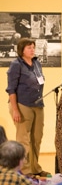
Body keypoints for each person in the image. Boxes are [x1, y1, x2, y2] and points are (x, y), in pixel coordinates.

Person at [6, 38, 49, 177]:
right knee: (24, 140)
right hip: (22, 104)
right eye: (29, 47)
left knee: (37, 138)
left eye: (33, 47)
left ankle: (35, 168)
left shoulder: (36, 63)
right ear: (21, 50)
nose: (32, 49)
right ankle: (24, 171)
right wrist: (15, 110)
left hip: (38, 104)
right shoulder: (16, 65)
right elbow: (11, 89)